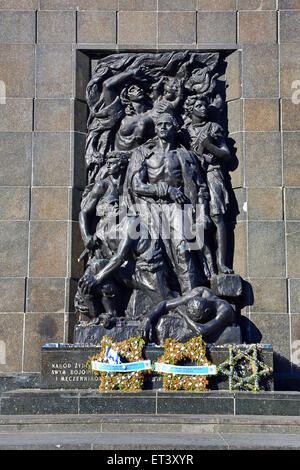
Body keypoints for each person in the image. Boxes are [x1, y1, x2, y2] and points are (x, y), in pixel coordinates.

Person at [125, 112, 211, 293]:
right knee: (156, 254)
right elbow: (135, 185)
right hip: (149, 208)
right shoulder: (142, 154)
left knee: (182, 249)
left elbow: (201, 188)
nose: (163, 127)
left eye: (167, 124)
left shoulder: (185, 156)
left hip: (178, 207)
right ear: (155, 129)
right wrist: (164, 190)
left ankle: (191, 295)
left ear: (175, 128)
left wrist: (202, 215)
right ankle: (164, 298)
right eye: (159, 124)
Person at [76, 195, 171, 327]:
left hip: (148, 270)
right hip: (130, 269)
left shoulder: (131, 222)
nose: (115, 205)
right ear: (102, 212)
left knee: (166, 303)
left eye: (116, 203)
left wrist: (96, 278)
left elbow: (119, 257)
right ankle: (110, 314)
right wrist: (86, 280)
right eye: (110, 204)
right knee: (96, 265)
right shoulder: (106, 228)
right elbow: (102, 258)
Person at [185, 96, 233, 275]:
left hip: (213, 173)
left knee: (217, 216)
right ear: (191, 110)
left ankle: (221, 263)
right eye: (198, 106)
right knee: (193, 218)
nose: (203, 108)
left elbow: (226, 155)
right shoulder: (184, 132)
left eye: (205, 106)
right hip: (193, 176)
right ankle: (202, 265)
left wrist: (209, 146)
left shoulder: (213, 128)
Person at [141, 285, 234, 344]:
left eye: (195, 318)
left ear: (207, 311)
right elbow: (165, 304)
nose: (192, 318)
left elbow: (202, 331)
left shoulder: (224, 309)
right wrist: (149, 318)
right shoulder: (199, 292)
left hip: (216, 331)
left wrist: (183, 314)